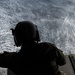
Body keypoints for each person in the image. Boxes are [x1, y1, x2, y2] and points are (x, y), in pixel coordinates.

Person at [0, 21, 66, 75]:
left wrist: (7, 55)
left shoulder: (15, 59)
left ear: (17, 38)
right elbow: (63, 61)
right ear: (36, 34)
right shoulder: (48, 47)